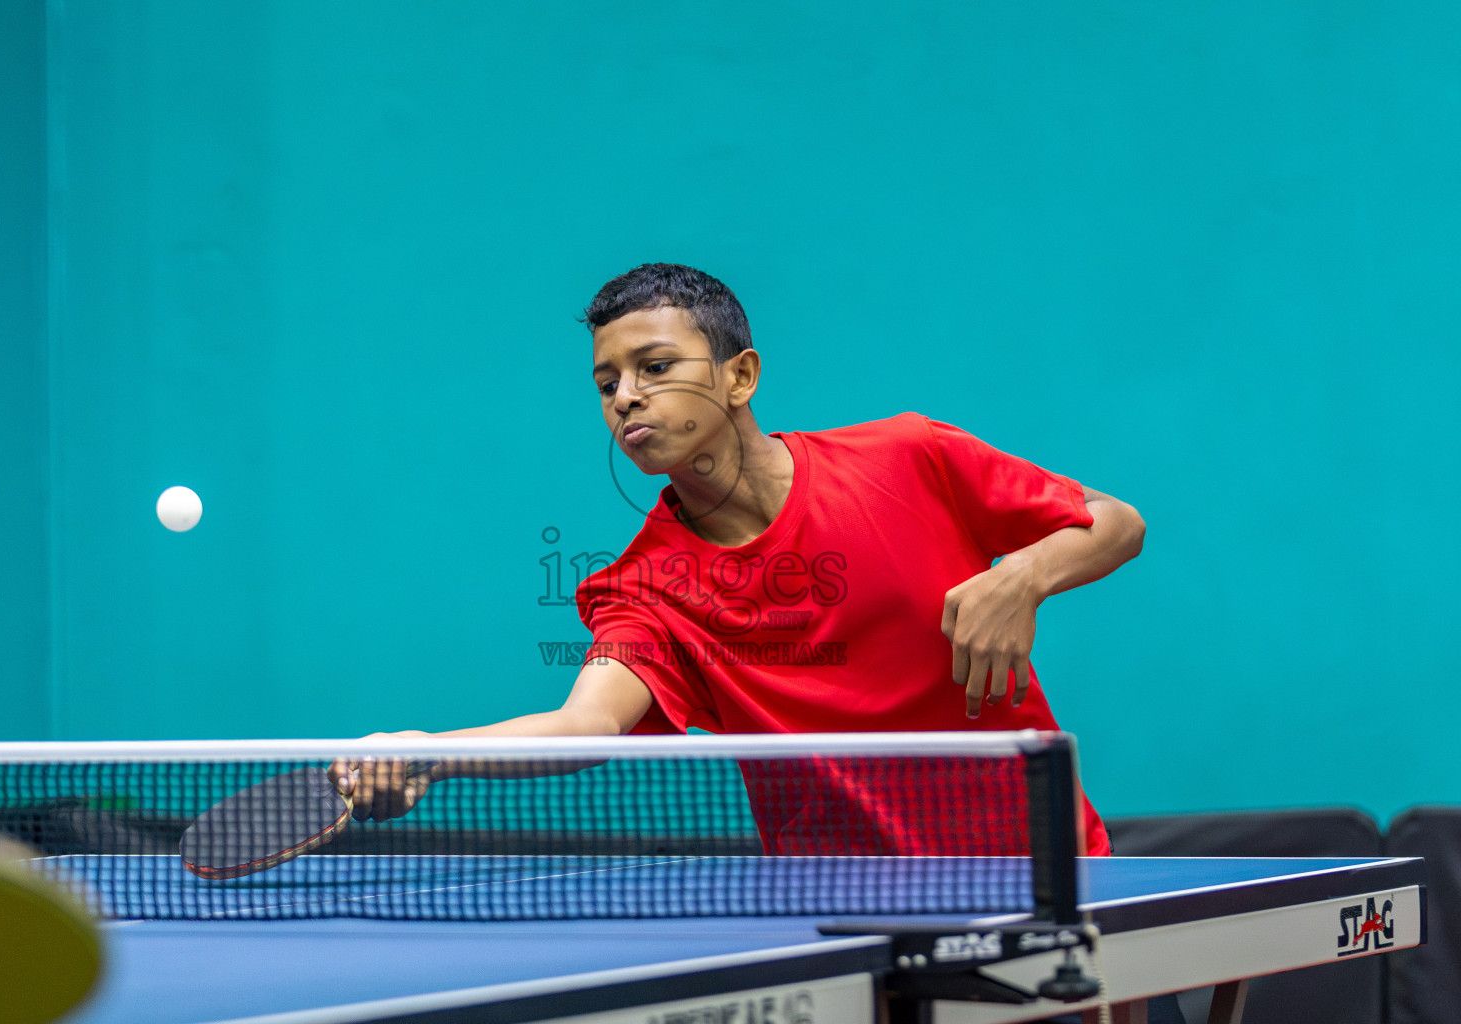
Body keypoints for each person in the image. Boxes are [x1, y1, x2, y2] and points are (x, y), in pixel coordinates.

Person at [336, 263, 1145, 857]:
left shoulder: (909, 457)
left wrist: (1023, 577)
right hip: (843, 918)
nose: (625, 397)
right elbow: (585, 723)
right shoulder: (643, 588)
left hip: (1047, 873)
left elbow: (1115, 522)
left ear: (740, 377)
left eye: (655, 369)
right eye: (605, 382)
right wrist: (430, 749)